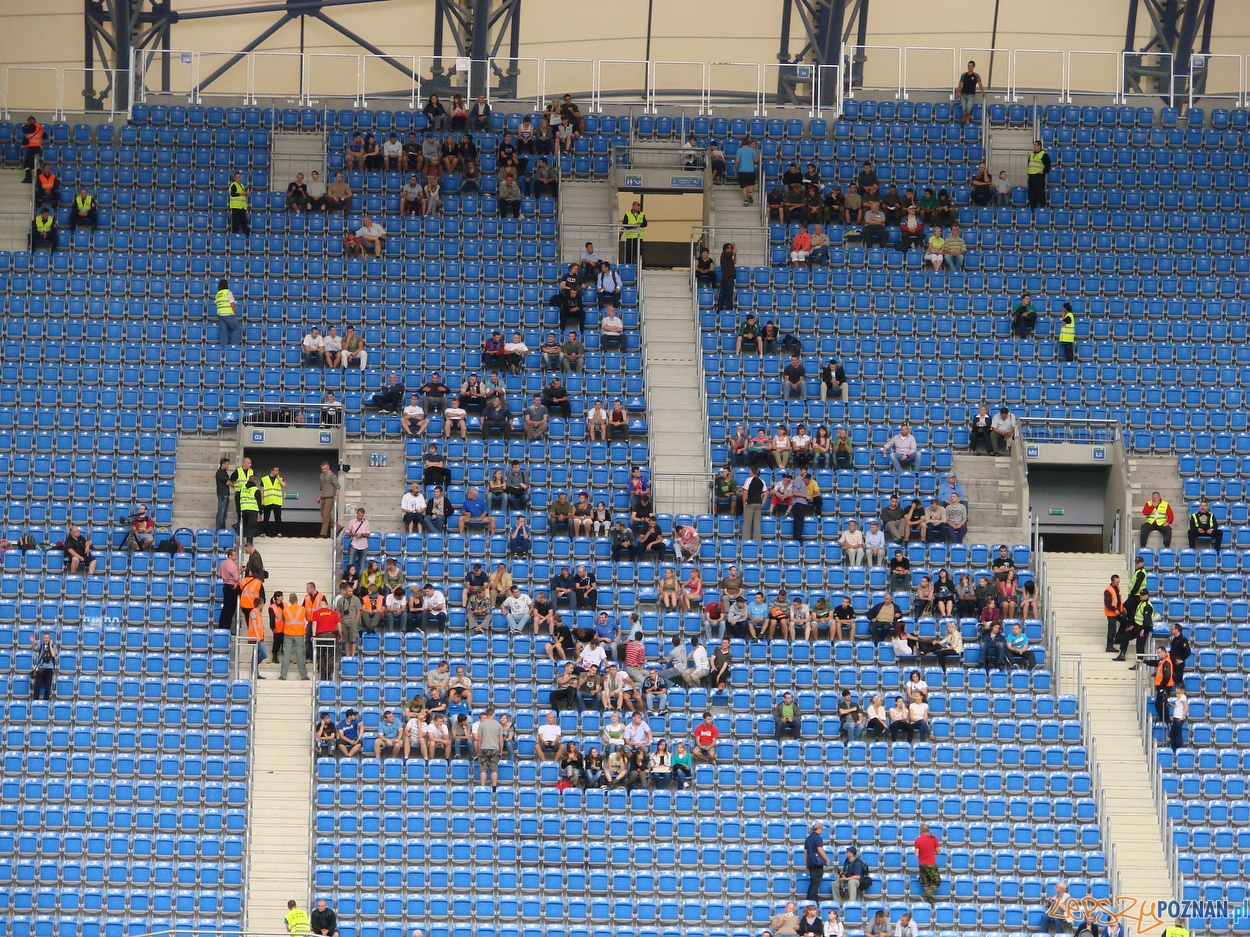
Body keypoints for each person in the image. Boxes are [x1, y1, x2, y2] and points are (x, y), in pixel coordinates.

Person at [1103, 574, 1125, 653]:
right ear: (1112, 581)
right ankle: (1109, 646)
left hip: (1118, 611)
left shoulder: (1117, 588)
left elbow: (1119, 600)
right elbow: (1108, 603)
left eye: (1118, 582)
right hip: (1111, 613)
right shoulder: (1108, 590)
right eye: (1116, 582)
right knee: (1111, 629)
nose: (1118, 583)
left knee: (1125, 622)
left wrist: (1122, 608)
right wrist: (1114, 609)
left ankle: (1117, 638)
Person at [1027, 139, 1051, 209]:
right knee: (1032, 192)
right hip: (1031, 176)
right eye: (1033, 145)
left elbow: (1048, 164)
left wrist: (1044, 172)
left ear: (1039, 146)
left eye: (1035, 145)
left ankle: (1042, 206)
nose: (1033, 147)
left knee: (1039, 192)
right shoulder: (1031, 155)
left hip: (1039, 176)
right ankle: (1032, 206)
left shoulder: (1043, 154)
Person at [621, 199, 647, 266]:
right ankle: (629, 265)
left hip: (639, 237)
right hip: (630, 237)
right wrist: (633, 226)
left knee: (639, 253)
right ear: (633, 206)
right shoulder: (627, 214)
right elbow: (624, 224)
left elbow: (645, 224)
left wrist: (639, 224)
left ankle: (641, 266)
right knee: (629, 253)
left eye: (639, 206)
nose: (639, 207)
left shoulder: (642, 214)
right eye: (637, 205)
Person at [736, 137, 757, 205]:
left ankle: (746, 200)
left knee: (743, 187)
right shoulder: (752, 150)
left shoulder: (739, 150)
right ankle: (750, 193)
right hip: (750, 170)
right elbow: (755, 160)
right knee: (751, 183)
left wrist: (735, 168)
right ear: (748, 143)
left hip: (742, 170)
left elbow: (737, 161)